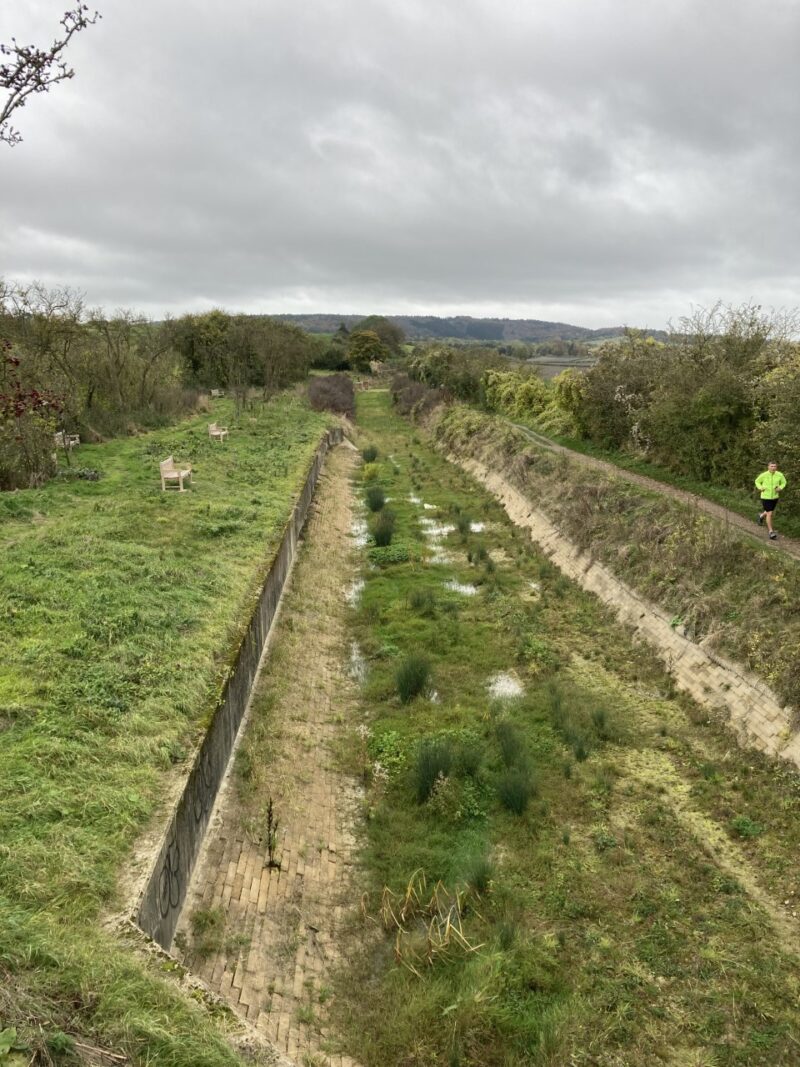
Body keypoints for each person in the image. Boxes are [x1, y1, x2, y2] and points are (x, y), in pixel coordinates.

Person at [755, 461, 787, 540]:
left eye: (774, 466)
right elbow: (757, 481)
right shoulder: (764, 475)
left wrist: (780, 488)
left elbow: (784, 482)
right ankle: (771, 532)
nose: (773, 468)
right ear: (768, 467)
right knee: (770, 513)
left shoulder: (780, 475)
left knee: (769, 511)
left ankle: (761, 516)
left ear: (776, 467)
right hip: (765, 496)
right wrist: (760, 488)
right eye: (771, 466)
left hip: (775, 497)